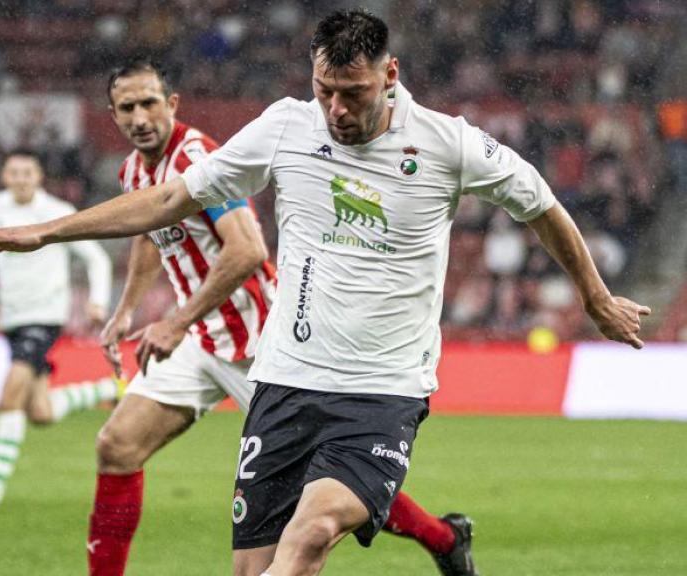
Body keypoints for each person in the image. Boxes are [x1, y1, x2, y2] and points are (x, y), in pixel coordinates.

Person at [0, 10, 650, 576]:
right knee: (240, 555)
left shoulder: (450, 144)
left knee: (311, 533)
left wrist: (594, 297)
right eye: (325, 90)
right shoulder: (287, 126)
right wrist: (46, 231)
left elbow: (541, 205)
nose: (337, 109)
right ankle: (444, 539)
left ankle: (436, 536)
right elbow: (167, 205)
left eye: (353, 93)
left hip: (381, 388)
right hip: (285, 379)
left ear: (390, 76)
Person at [89, 61, 476, 576]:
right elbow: (151, 233)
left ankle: (444, 537)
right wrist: (127, 309)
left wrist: (176, 320)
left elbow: (246, 249)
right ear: (112, 115)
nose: (140, 117)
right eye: (127, 108)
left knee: (336, 480)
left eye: (149, 103)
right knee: (116, 445)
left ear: (173, 104)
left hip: (264, 344)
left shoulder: (196, 156)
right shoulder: (135, 172)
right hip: (202, 339)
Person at [0, 150, 116, 515]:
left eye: (29, 171)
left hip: (45, 316)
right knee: (39, 411)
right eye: (15, 172)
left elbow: (96, 258)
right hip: (12, 317)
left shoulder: (56, 210)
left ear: (39, 175)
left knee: (10, 395)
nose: (22, 178)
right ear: (5, 176)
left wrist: (97, 301)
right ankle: (111, 390)